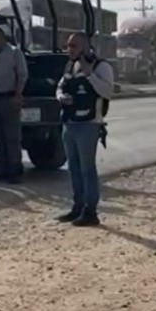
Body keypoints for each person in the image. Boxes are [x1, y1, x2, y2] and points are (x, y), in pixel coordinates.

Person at [56, 32, 115, 226]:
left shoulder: (101, 66)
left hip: (88, 125)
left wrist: (90, 75)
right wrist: (61, 97)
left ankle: (91, 211)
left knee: (87, 169)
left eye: (73, 46)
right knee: (73, 168)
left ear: (85, 46)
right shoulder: (70, 66)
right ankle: (78, 206)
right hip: (70, 123)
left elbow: (108, 91)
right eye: (68, 46)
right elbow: (60, 87)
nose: (69, 49)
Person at [0, 23, 28, 183]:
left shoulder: (15, 52)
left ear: (0, 37)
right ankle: (3, 169)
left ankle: (15, 169)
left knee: (12, 137)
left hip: (9, 98)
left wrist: (18, 94)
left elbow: (22, 74)